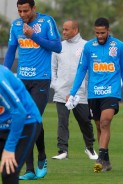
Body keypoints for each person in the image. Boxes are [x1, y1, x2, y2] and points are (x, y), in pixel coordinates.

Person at [3, 0, 62, 180]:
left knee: (34, 118)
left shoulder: (47, 22)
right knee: (23, 121)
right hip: (21, 81)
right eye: (19, 11)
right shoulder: (15, 25)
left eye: (26, 11)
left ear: (34, 8)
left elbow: (57, 46)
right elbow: (11, 51)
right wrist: (5, 75)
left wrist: (33, 36)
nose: (22, 15)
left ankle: (42, 157)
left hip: (41, 79)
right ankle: (29, 169)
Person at [68, 17, 123, 173]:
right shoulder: (89, 47)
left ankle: (100, 158)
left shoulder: (119, 46)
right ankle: (106, 160)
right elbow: (82, 69)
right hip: (94, 93)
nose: (100, 36)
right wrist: (72, 92)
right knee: (99, 125)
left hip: (111, 91)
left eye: (103, 33)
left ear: (108, 30)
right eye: (97, 33)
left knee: (105, 121)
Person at [51, 20, 98, 160]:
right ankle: (62, 151)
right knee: (62, 121)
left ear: (75, 29)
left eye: (66, 30)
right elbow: (52, 68)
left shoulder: (86, 46)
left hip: (81, 93)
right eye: (63, 29)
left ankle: (89, 148)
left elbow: (91, 70)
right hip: (62, 93)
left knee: (85, 121)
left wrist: (88, 90)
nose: (63, 32)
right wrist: (57, 87)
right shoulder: (58, 46)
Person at [0, 65, 42, 184]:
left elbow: (19, 112)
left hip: (26, 123)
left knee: (8, 171)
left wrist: (9, 148)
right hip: (3, 124)